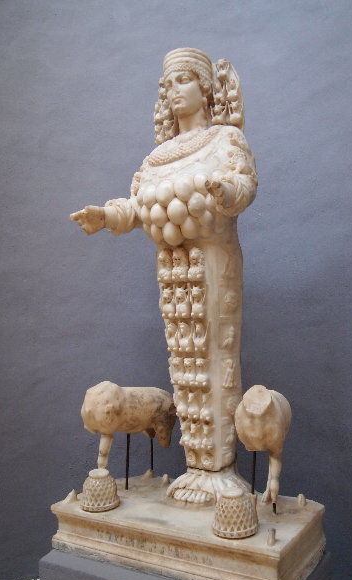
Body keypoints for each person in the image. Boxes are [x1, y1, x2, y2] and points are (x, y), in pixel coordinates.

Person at [71, 48, 257, 504]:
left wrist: (223, 190)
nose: (174, 91)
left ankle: (218, 469)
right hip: (173, 269)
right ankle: (196, 469)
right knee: (185, 365)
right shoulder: (157, 157)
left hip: (212, 264)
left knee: (214, 363)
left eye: (183, 80)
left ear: (205, 88)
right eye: (168, 84)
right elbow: (138, 206)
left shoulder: (225, 139)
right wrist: (107, 216)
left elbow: (243, 185)